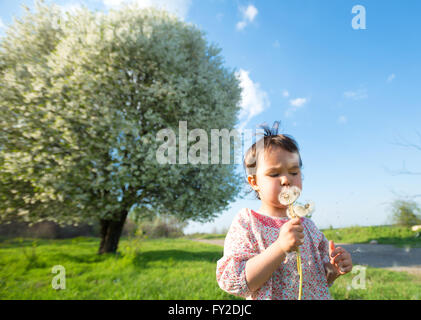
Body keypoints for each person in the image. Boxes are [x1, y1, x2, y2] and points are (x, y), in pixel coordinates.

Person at [216, 121, 352, 300]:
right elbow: (233, 281)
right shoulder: (248, 222)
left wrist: (334, 269)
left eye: (294, 173)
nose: (286, 180)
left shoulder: (308, 226)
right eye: (274, 174)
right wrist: (280, 247)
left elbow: (321, 278)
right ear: (254, 182)